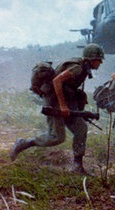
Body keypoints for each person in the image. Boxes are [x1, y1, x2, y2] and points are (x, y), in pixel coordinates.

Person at [10, 43, 104, 175]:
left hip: (66, 98)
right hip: (54, 99)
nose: (100, 63)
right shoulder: (77, 68)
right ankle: (23, 143)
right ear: (91, 59)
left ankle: (78, 166)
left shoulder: (82, 67)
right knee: (57, 137)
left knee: (81, 128)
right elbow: (57, 81)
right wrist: (63, 106)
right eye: (99, 60)